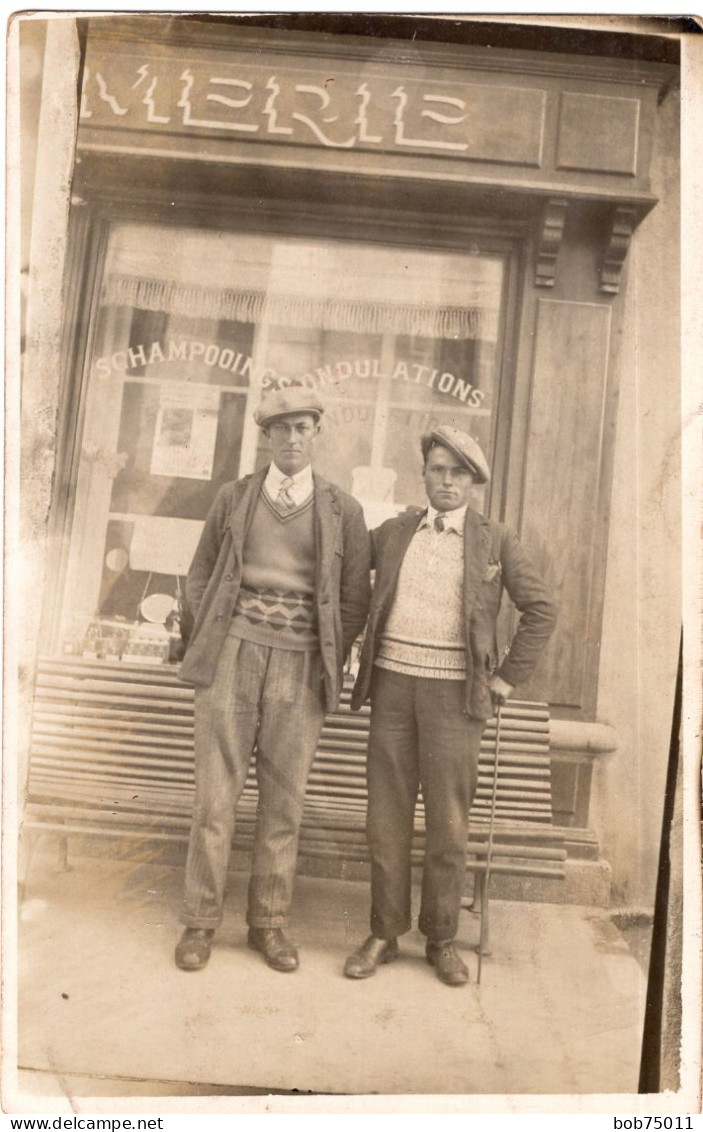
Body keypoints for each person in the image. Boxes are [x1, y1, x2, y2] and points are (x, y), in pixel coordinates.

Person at [344, 425, 557, 987]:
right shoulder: (395, 531)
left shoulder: (495, 541)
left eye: (458, 473)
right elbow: (343, 555)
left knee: (448, 824)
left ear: (473, 482)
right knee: (385, 819)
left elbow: (541, 610)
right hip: (391, 688)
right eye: (438, 469)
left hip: (455, 700)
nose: (446, 481)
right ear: (424, 473)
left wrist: (507, 679)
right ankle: (384, 933)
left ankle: (440, 939)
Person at [175, 385, 371, 973]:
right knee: (215, 799)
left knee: (284, 804)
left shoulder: (342, 510)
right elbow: (199, 576)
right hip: (232, 656)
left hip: (301, 663)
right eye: (281, 428)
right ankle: (200, 923)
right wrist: (214, 636)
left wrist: (320, 650)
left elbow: (355, 597)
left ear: (317, 433)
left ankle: (269, 923)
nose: (291, 438)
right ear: (266, 436)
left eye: (302, 427)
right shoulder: (235, 498)